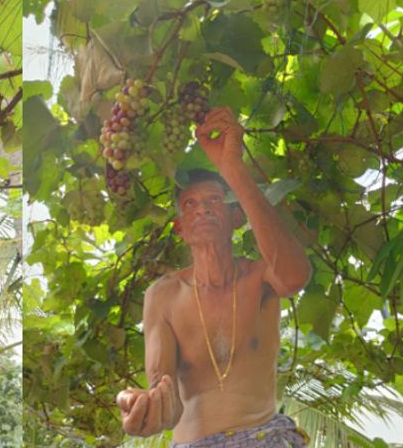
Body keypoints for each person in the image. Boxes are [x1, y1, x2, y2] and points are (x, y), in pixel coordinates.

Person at [116, 108, 313, 446]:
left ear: (236, 218)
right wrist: (144, 406)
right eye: (190, 204)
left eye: (214, 200)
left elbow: (295, 277)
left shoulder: (260, 277)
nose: (202, 208)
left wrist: (232, 168)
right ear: (179, 228)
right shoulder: (162, 295)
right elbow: (166, 397)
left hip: (266, 437)